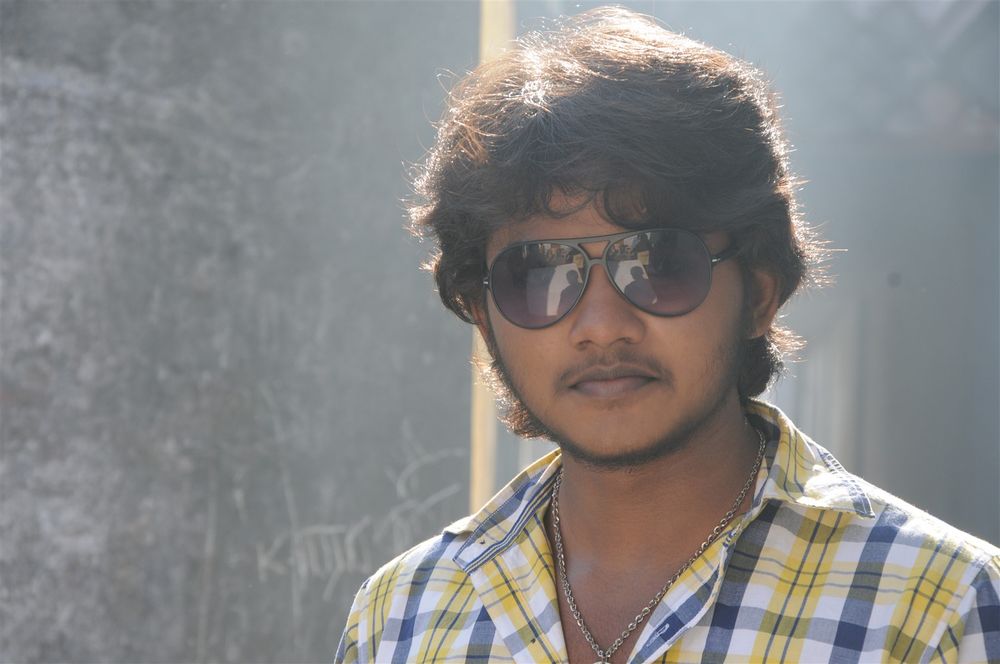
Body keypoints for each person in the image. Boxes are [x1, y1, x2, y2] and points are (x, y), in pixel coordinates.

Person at [337, 8, 999, 663]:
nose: (601, 326)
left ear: (759, 293)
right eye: (538, 275)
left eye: (657, 265)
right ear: (484, 317)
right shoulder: (404, 618)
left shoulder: (938, 609)